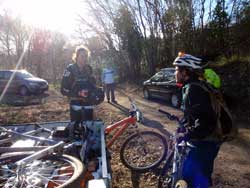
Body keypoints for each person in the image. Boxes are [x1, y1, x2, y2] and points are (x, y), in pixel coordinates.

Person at [173, 53, 221, 188]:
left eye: (177, 69)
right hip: (207, 141)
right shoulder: (194, 86)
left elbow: (204, 123)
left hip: (206, 142)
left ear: (185, 71)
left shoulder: (193, 89)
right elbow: (194, 114)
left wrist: (186, 134)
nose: (175, 73)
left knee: (193, 178)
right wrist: (183, 126)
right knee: (200, 176)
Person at [61, 45, 96, 122]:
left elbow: (93, 85)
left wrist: (96, 92)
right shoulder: (70, 69)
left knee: (89, 127)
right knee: (76, 129)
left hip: (88, 104)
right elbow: (63, 89)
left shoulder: (89, 69)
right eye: (82, 56)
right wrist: (78, 94)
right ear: (76, 56)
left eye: (86, 56)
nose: (85, 59)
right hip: (75, 105)